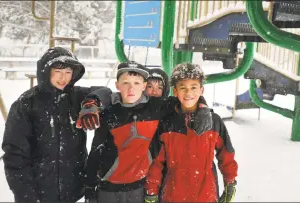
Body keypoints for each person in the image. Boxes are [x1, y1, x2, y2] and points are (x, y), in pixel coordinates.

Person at [78, 61, 212, 203]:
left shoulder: (156, 107)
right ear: (117, 85)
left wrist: (203, 107)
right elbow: (96, 150)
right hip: (108, 188)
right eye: (125, 83)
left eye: (136, 83)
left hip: (140, 188)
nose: (131, 88)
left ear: (143, 86)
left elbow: (186, 98)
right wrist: (90, 188)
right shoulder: (109, 112)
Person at [1, 47, 112, 203]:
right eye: (58, 72)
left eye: (68, 72)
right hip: (39, 191)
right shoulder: (26, 104)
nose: (63, 78)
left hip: (73, 190)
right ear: (46, 71)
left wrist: (92, 103)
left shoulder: (77, 96)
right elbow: (15, 154)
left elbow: (106, 92)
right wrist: (25, 195)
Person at [144, 63, 238, 203]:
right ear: (175, 91)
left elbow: (226, 154)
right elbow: (156, 161)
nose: (188, 93)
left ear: (201, 90)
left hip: (206, 195)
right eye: (183, 88)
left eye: (193, 87)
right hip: (173, 194)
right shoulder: (167, 124)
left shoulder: (214, 122)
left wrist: (230, 182)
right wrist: (151, 190)